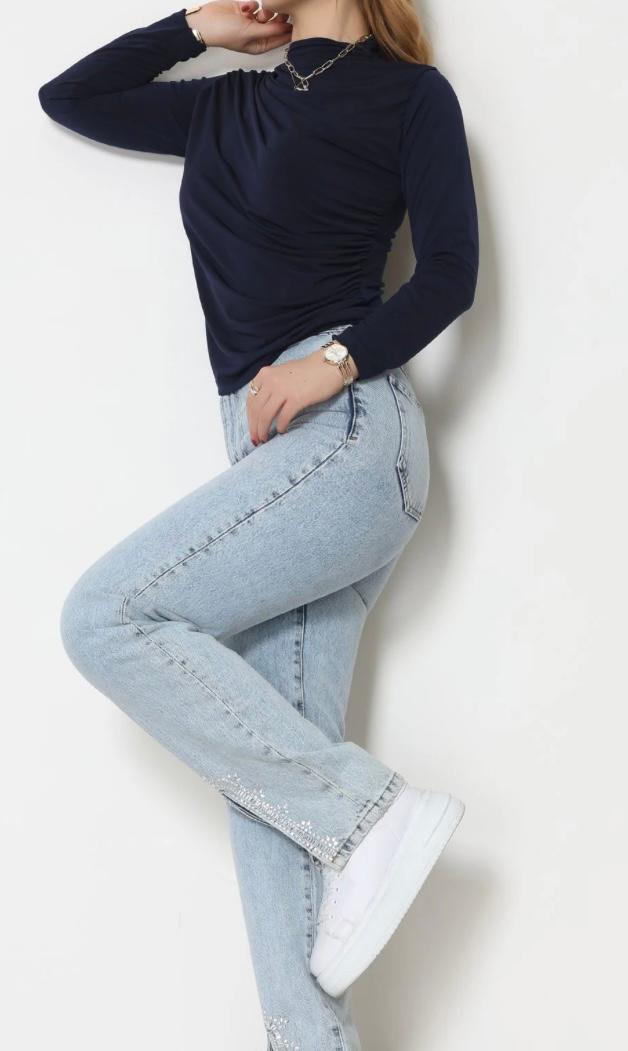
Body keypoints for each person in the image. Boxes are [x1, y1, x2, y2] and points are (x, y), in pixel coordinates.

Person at [38, 2, 479, 1047]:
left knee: (107, 617)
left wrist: (332, 361)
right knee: (267, 785)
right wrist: (196, 26)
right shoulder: (226, 107)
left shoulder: (408, 96)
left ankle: (370, 813)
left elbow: (450, 272)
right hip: (267, 458)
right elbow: (70, 97)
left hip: (349, 433)